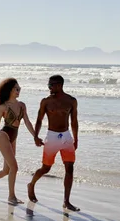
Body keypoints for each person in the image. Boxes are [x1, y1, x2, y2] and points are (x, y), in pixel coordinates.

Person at [0, 78, 36, 206]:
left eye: (19, 89)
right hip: (3, 136)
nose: (18, 91)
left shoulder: (22, 105)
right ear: (10, 90)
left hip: (13, 137)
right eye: (16, 88)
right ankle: (11, 196)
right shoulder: (3, 106)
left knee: (6, 170)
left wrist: (35, 136)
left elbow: (27, 122)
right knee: (14, 167)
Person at [27, 75, 80, 211]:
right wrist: (36, 136)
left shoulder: (71, 101)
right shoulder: (46, 101)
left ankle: (66, 201)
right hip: (52, 136)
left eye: (51, 85)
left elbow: (74, 121)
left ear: (59, 85)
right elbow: (39, 120)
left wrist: (76, 138)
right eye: (48, 85)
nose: (49, 88)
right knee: (46, 168)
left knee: (70, 168)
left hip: (66, 136)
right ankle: (31, 184)